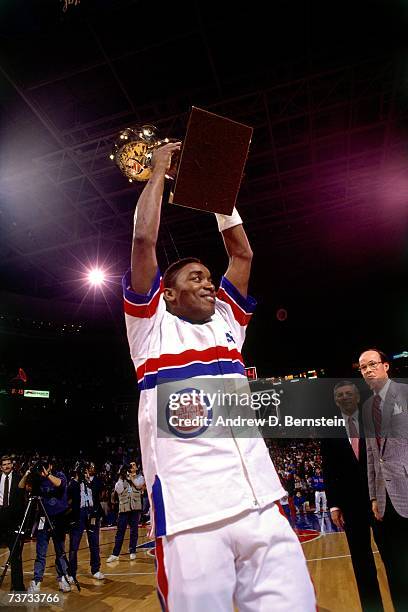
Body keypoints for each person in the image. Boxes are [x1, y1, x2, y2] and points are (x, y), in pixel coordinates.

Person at [122, 141, 316, 610]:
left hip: (261, 505)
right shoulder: (150, 330)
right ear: (167, 294)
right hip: (193, 517)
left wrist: (216, 191)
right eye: (195, 277)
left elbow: (242, 256)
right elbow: (143, 241)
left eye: (209, 276)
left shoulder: (226, 323)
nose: (208, 282)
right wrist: (160, 171)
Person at [321, 381, 384, 612]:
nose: (345, 397)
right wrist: (334, 504)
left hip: (380, 498)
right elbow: (328, 467)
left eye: (349, 393)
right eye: (340, 395)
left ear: (357, 397)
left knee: (391, 556)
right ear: (335, 400)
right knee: (361, 563)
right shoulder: (329, 427)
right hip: (350, 504)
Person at [359, 348, 408, 611]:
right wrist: (374, 496)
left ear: (386, 366)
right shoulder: (367, 407)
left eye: (372, 364)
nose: (367, 370)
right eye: (363, 367)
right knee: (396, 571)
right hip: (385, 501)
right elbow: (371, 456)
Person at [20, 458, 72, 594]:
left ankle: (62, 579)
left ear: (50, 466)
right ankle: (37, 581)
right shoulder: (37, 479)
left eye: (45, 466)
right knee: (40, 552)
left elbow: (60, 485)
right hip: (43, 517)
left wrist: (47, 475)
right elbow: (24, 488)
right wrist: (28, 474)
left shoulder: (59, 475)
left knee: (60, 552)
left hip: (58, 518)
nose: (43, 469)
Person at [67, 463, 104, 580]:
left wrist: (89, 481)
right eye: (82, 471)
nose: (85, 473)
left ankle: (96, 569)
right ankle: (71, 572)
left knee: (94, 543)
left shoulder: (94, 481)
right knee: (74, 545)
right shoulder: (73, 483)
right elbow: (69, 493)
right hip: (79, 514)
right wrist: (78, 479)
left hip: (92, 512)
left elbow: (98, 490)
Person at [106, 462, 144, 562]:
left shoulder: (140, 477)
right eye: (130, 466)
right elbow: (119, 490)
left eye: (134, 465)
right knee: (120, 531)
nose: (132, 467)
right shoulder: (122, 478)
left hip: (135, 508)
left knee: (134, 531)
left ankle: (132, 551)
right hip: (124, 509)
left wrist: (131, 478)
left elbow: (139, 485)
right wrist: (121, 477)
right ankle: (115, 554)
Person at [0, 455, 26, 592]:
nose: (7, 466)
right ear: (1, 467)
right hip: (0, 517)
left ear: (12, 465)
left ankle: (18, 587)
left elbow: (22, 501)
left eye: (9, 463)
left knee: (15, 554)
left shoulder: (18, 478)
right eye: (4, 464)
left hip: (13, 519)